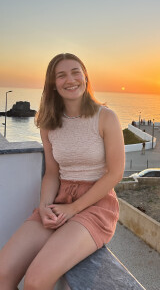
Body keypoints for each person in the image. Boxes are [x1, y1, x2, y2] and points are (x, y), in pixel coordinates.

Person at [0, 53, 125, 290]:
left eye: (76, 72)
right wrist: (45, 206)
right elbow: (52, 173)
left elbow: (115, 173)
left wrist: (73, 209)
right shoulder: (48, 123)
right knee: (2, 272)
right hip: (59, 199)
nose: (71, 79)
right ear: (53, 85)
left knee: (36, 281)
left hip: (96, 205)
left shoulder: (106, 117)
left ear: (85, 77)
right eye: (61, 75)